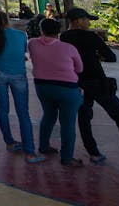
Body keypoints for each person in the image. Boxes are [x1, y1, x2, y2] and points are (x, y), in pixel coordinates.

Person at [61, 8, 119, 173]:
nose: (88, 23)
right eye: (86, 20)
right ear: (78, 21)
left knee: (84, 118)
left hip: (78, 82)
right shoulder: (91, 37)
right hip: (97, 82)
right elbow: (111, 57)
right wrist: (96, 57)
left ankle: (93, 152)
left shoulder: (64, 37)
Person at [0, 11, 43, 163]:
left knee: (3, 108)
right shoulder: (21, 35)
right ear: (7, 19)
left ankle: (9, 142)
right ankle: (30, 152)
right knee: (23, 113)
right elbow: (22, 52)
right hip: (18, 74)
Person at [28, 18, 84, 167]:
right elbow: (79, 69)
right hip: (67, 88)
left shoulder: (32, 43)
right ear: (59, 31)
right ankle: (67, 157)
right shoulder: (69, 48)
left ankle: (44, 146)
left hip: (43, 86)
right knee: (67, 123)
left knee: (48, 115)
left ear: (41, 30)